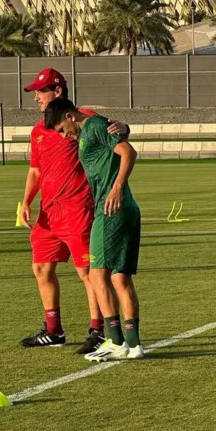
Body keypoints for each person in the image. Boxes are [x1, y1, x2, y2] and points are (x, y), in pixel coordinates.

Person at [20, 68, 128, 353]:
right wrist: (26, 201)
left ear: (57, 92)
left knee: (88, 272)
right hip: (48, 211)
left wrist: (124, 127)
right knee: (41, 268)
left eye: (39, 92)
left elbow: (114, 133)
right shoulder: (38, 130)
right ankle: (54, 331)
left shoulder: (83, 118)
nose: (36, 98)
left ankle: (97, 330)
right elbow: (35, 170)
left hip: (78, 208)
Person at [45, 98, 143, 362]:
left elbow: (128, 152)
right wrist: (124, 127)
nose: (64, 135)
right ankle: (133, 346)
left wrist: (117, 187)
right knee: (120, 279)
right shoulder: (89, 129)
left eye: (62, 129)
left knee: (97, 277)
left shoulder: (94, 125)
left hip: (110, 209)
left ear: (70, 116)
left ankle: (116, 341)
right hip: (124, 209)